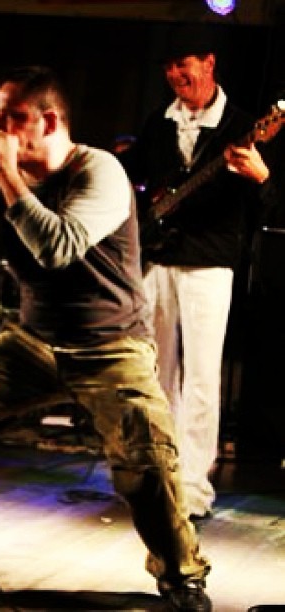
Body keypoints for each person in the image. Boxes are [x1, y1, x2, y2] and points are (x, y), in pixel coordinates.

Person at [0, 65, 212, 611]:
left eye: (12, 117)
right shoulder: (10, 181)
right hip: (33, 345)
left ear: (49, 121)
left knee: (148, 459)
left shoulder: (99, 171)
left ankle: (182, 575)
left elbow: (58, 247)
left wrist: (6, 176)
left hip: (111, 348)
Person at [117, 24, 278, 523]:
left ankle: (193, 487)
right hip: (159, 261)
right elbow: (134, 177)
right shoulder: (158, 122)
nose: (174, 74)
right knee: (155, 375)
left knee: (203, 378)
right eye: (168, 66)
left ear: (209, 63)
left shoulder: (243, 125)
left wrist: (261, 178)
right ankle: (160, 476)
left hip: (209, 265)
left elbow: (268, 203)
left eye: (182, 64)